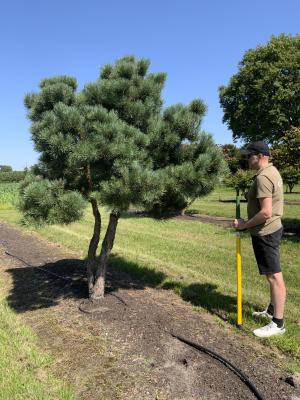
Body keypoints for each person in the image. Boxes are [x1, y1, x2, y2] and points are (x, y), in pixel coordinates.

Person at [233, 141, 286, 338]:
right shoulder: (273, 171)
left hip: (266, 232)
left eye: (249, 155)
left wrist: (244, 225)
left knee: (274, 277)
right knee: (271, 275)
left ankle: (278, 323)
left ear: (260, 156)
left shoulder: (264, 177)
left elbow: (266, 212)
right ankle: (271, 310)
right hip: (271, 230)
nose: (247, 159)